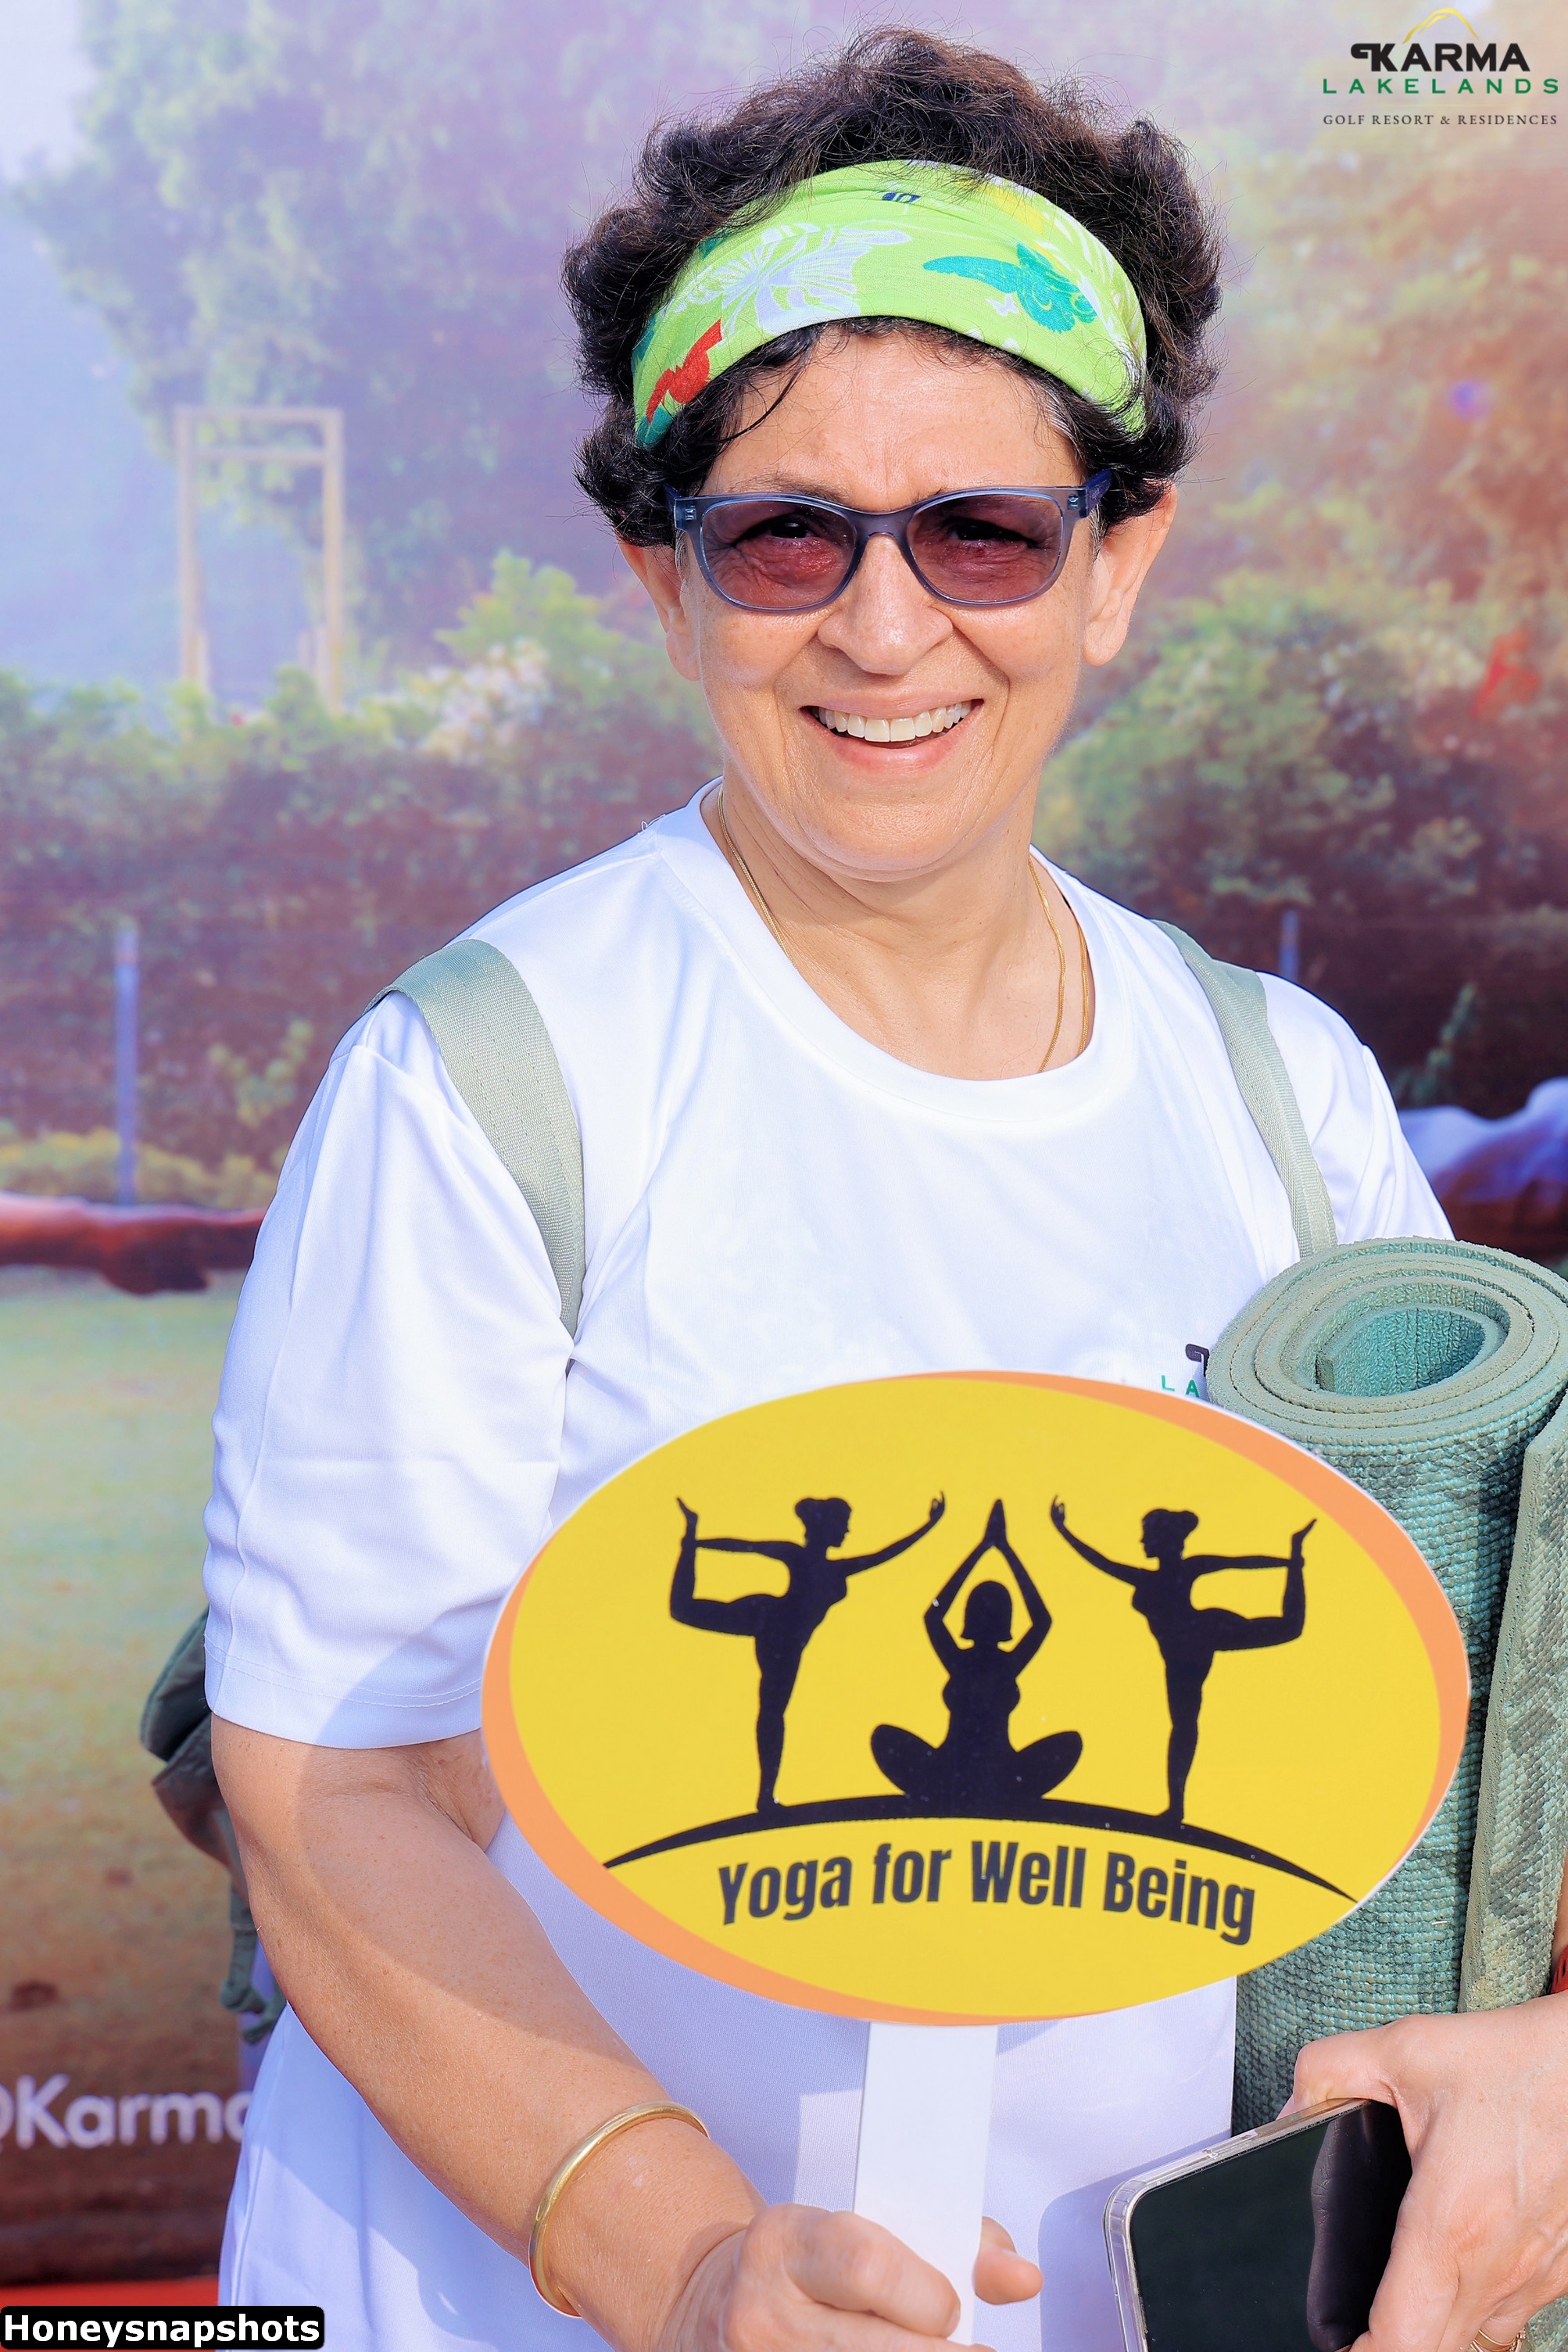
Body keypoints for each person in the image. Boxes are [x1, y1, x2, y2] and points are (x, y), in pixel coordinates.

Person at [202, 30, 1568, 2352]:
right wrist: (682, 2261)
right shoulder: (490, 1084)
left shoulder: (1281, 1098)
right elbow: (339, 1799)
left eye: (978, 531)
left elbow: (1461, 1721)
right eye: (783, 535)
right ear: (663, 577)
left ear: (1112, 561)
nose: (880, 622)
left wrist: (1541, 2060)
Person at [670, 1491, 946, 1812]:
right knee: (770, 1711)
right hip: (774, 1626)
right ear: (826, 1527)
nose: (847, 1531)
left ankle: (766, 1796)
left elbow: (885, 1554)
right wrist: (696, 1542)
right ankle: (766, 1797)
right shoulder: (800, 1557)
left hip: (783, 1634)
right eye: (843, 1524)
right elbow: (746, 1546)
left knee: (772, 1712)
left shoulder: (836, 1568)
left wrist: (929, 1526)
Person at [1049, 1501, 1312, 1823]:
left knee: (1287, 1630)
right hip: (1183, 1655)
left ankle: (1176, 1808)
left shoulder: (1178, 1571)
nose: (1142, 1541)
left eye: (1147, 1535)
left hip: (1198, 1637)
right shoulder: (1150, 1578)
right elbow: (1102, 1562)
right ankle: (1176, 1808)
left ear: (1164, 1540)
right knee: (1184, 1727)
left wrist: (1289, 1562)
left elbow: (1239, 1562)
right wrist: (1063, 1530)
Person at [872, 1499, 1082, 1812]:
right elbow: (933, 1616)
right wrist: (987, 1549)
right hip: (950, 1769)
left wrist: (1000, 1549)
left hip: (999, 1772)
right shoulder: (966, 1663)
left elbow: (1042, 1621)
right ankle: (960, 1792)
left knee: (1070, 1744)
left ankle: (992, 1793)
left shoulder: (995, 1664)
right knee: (884, 1738)